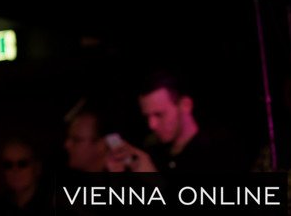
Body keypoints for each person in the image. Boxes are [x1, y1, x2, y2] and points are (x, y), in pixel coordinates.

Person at [105, 68, 248, 174]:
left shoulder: (220, 151)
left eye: (159, 115)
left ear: (185, 105)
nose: (151, 125)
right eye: (147, 117)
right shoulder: (153, 151)